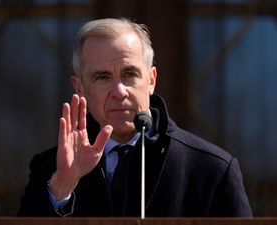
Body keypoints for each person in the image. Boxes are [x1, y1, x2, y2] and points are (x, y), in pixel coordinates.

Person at [17, 18, 252, 217]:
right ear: (79, 88)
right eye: (102, 77)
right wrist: (62, 187)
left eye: (129, 74)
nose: (119, 92)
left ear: (151, 80)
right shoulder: (50, 170)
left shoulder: (212, 169)